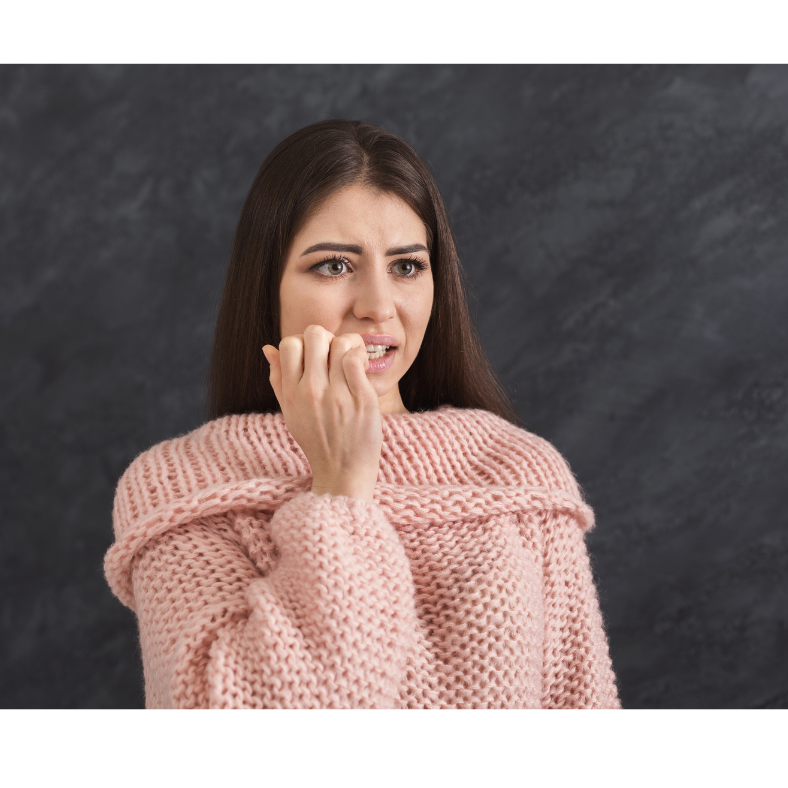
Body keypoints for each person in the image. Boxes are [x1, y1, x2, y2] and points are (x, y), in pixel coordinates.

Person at [103, 119, 621, 709]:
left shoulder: (519, 473)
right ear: (266, 285)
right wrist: (340, 490)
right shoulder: (177, 484)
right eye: (334, 265)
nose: (378, 307)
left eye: (406, 266)